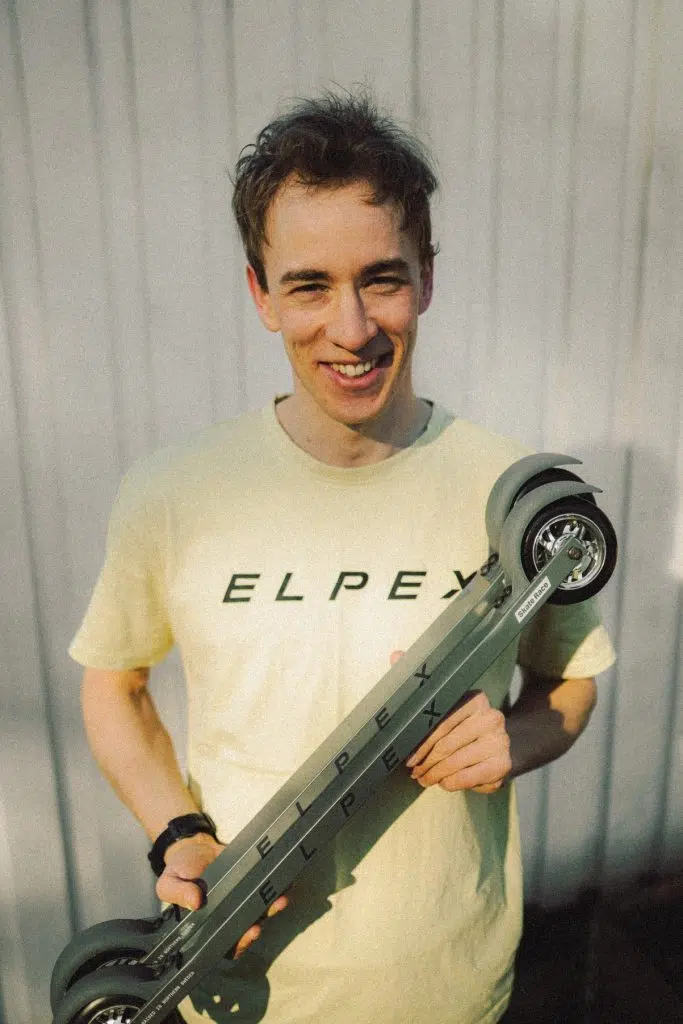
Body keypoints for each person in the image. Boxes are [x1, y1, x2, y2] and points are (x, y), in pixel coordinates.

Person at [70, 92, 615, 1024]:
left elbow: (570, 684)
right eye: (309, 285)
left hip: (447, 987)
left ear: (426, 280)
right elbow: (114, 688)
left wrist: (516, 740)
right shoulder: (174, 492)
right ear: (261, 295)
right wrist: (178, 834)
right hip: (241, 992)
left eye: (382, 279)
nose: (352, 328)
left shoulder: (503, 486)